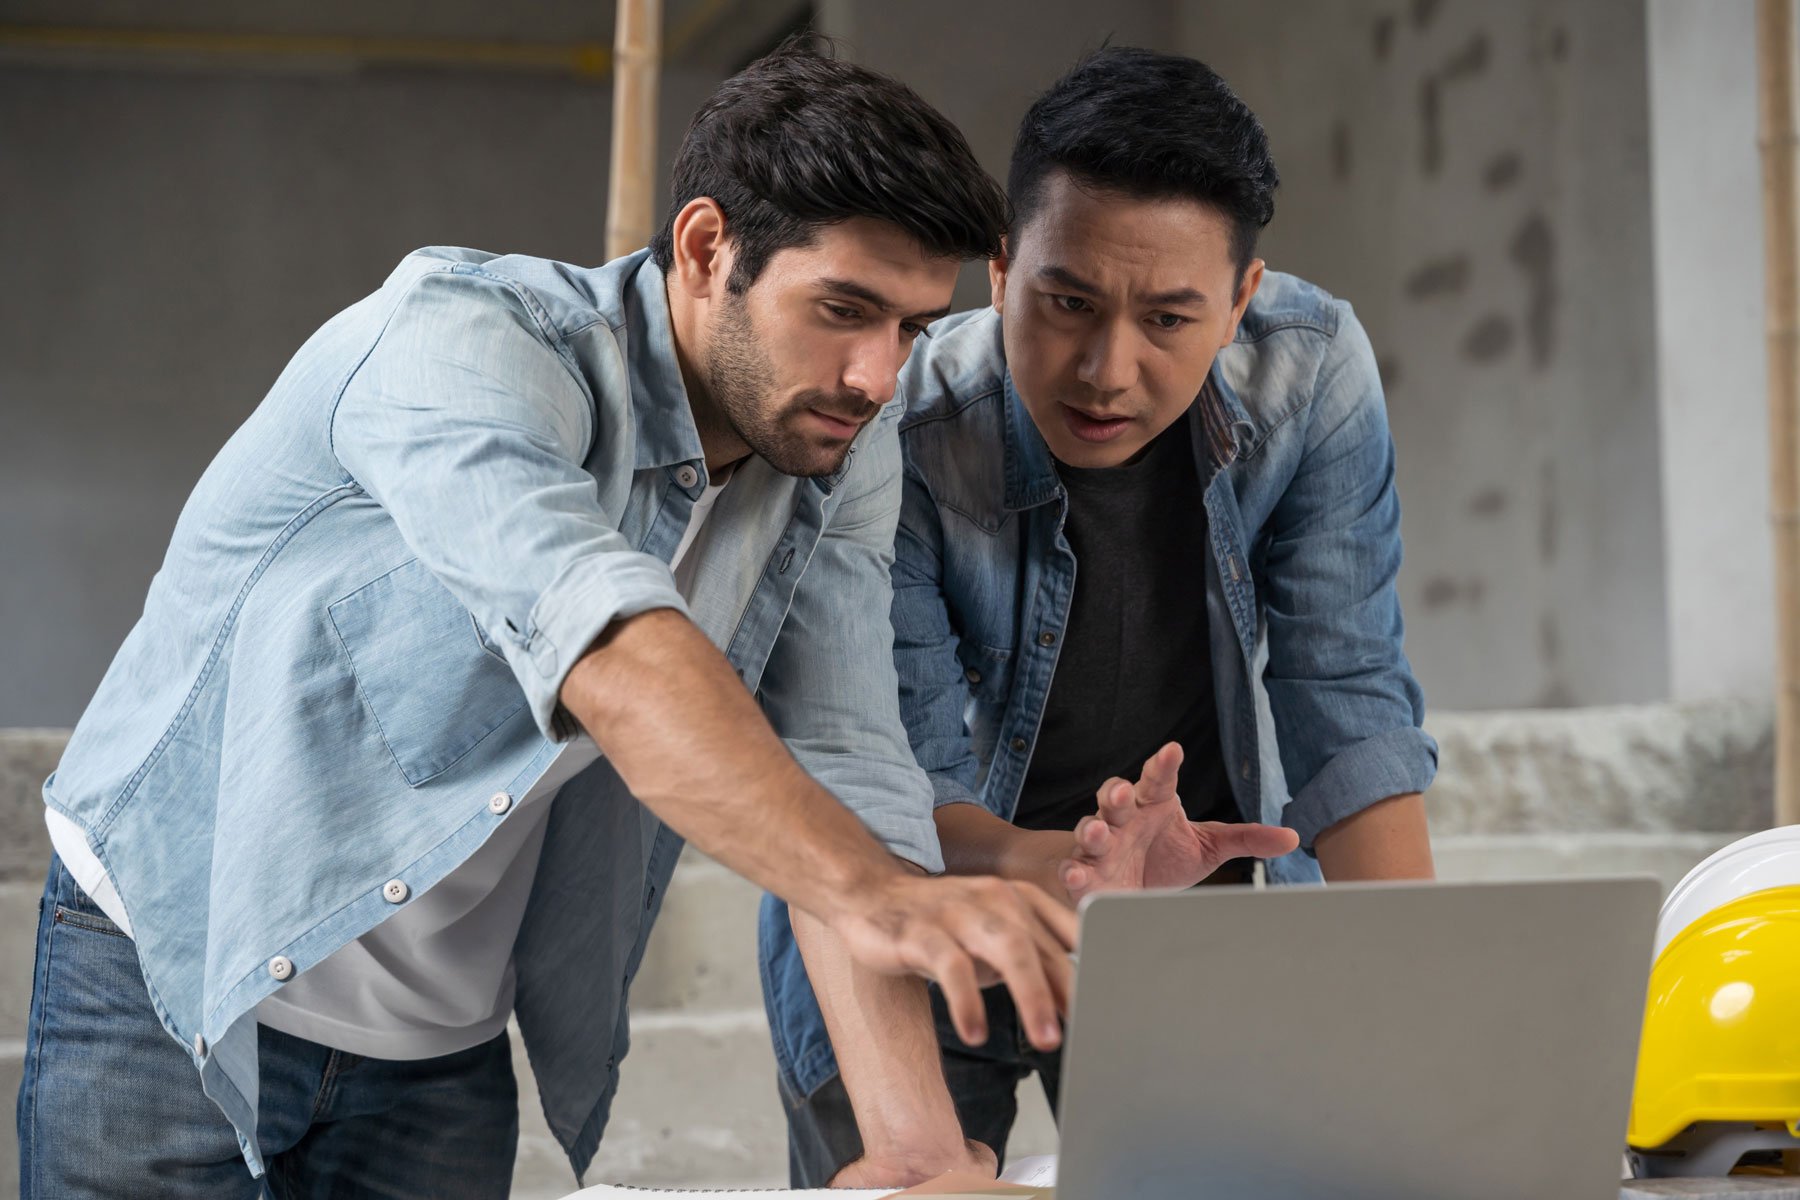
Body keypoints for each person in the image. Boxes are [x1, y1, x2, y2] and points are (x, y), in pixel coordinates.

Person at [18, 42, 1081, 1199]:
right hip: (182, 968)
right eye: (844, 309)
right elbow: (613, 653)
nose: (879, 377)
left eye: (916, 329)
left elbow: (848, 764)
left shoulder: (837, 451)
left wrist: (920, 1155)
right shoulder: (466, 339)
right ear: (706, 247)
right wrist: (876, 893)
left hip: (436, 1048)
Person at [767, 47, 1440, 1185]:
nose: (1106, 370)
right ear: (998, 270)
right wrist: (1072, 866)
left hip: (1190, 909)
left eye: (1171, 318)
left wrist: (1427, 1034)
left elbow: (1347, 700)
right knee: (923, 1182)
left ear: (1241, 301)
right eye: (1066, 301)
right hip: (930, 906)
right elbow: (884, 777)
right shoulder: (901, 424)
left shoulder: (1313, 373)